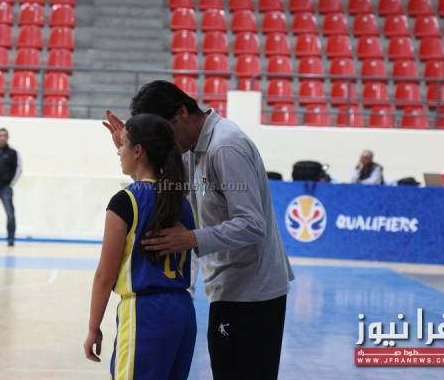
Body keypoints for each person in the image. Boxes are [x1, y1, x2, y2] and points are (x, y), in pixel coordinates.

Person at [103, 81, 294, 380]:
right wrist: (131, 149)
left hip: (253, 294)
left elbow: (253, 223)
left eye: (164, 131)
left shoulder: (225, 147)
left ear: (182, 112)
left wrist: (192, 238)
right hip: (229, 289)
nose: (164, 142)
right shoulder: (191, 149)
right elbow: (162, 185)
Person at [84, 114, 197, 380]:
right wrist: (127, 144)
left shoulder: (125, 202)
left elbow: (104, 276)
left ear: (138, 151)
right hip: (182, 313)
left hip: (145, 315)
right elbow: (151, 192)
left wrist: (93, 327)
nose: (118, 151)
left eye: (123, 145)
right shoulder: (181, 202)